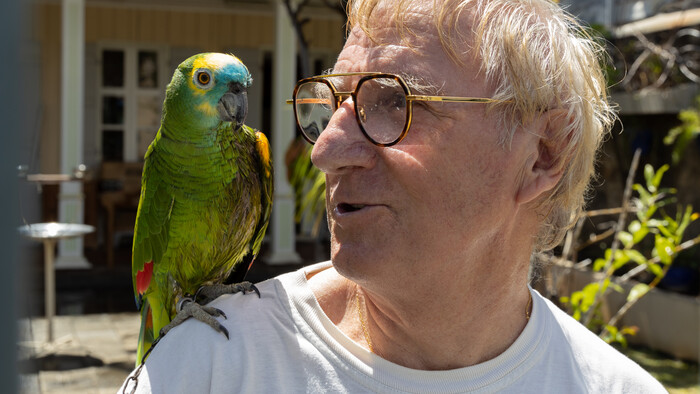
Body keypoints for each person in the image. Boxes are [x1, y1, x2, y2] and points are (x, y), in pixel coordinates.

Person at [121, 0, 666, 392]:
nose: (325, 149)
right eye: (333, 101)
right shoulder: (204, 368)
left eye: (395, 103)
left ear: (543, 153)